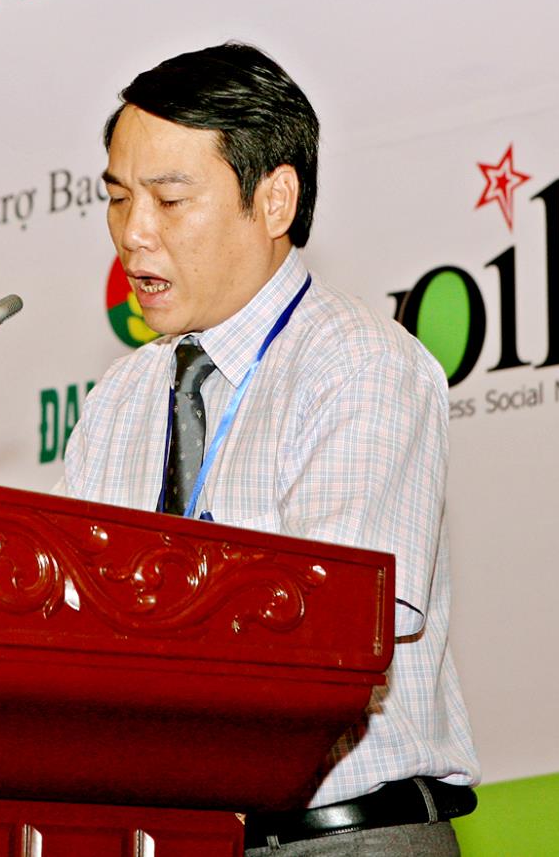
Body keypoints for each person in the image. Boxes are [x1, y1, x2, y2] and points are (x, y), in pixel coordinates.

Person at [58, 42, 479, 855]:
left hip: (339, 840)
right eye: (117, 199)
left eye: (168, 199)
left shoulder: (359, 366)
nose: (133, 233)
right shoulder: (118, 401)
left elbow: (332, 630)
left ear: (275, 198)